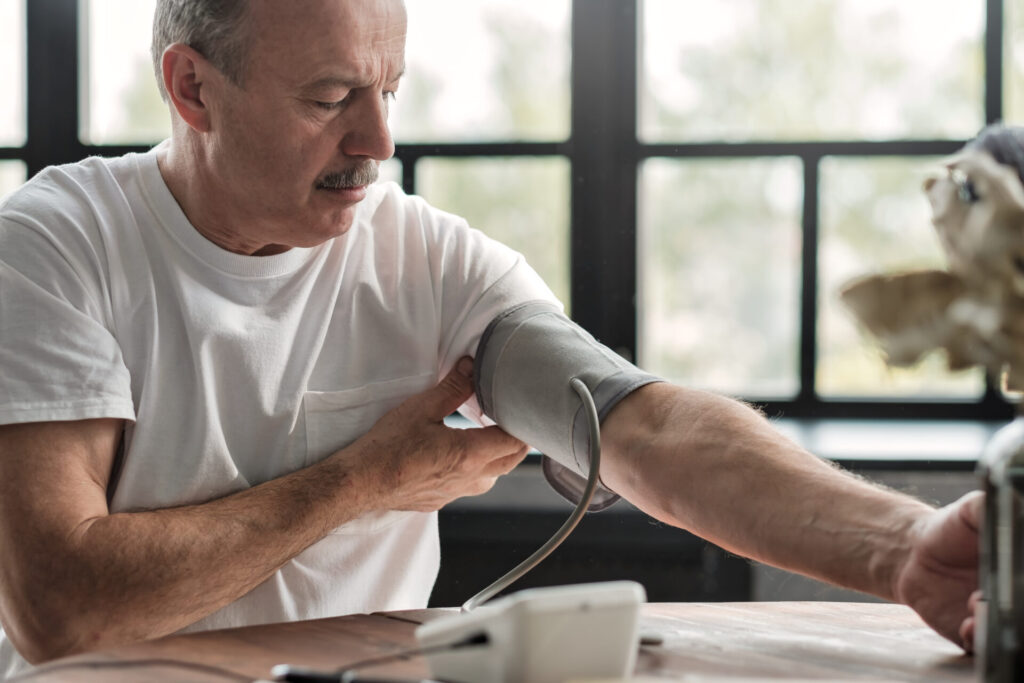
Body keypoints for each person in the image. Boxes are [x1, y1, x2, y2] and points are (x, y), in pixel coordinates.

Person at [0, 0, 981, 677]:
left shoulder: (421, 254)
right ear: (192, 88)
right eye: (331, 97)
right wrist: (363, 478)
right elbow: (65, 610)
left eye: (390, 89)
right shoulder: (55, 247)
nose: (378, 141)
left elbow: (640, 426)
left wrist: (904, 548)